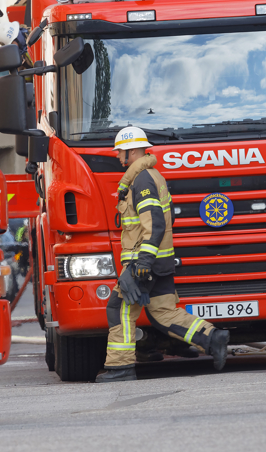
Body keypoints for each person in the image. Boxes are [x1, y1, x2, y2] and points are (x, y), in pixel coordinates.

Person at [96, 126, 230, 382]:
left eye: (120, 152)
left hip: (145, 262)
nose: (117, 156)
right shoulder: (152, 176)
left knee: (119, 308)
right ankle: (212, 338)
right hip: (159, 261)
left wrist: (142, 263)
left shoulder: (142, 179)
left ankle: (120, 367)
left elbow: (154, 224)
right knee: (163, 312)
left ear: (132, 151)